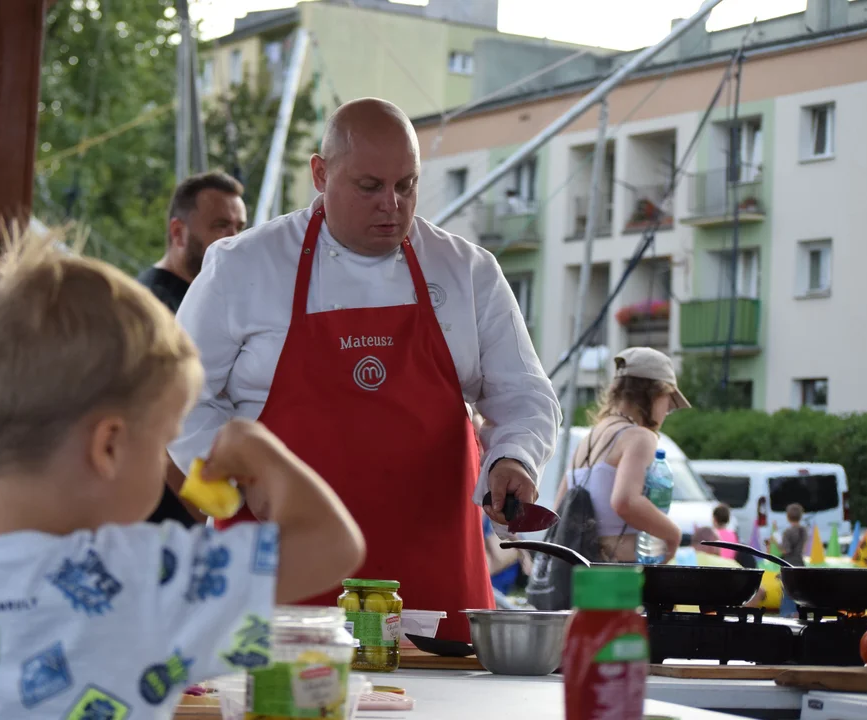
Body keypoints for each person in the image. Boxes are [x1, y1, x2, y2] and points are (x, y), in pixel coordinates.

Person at [0, 226, 364, 718]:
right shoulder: (144, 579)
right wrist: (259, 448)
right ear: (109, 445)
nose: (168, 462)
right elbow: (333, 546)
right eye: (163, 441)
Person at [168, 97, 560, 642]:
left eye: (407, 185)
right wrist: (241, 478)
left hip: (432, 567)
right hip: (281, 561)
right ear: (320, 173)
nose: (392, 205)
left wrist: (514, 458)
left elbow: (524, 394)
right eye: (370, 186)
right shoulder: (243, 265)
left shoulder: (468, 270)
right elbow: (177, 398)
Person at [552, 347, 689, 563]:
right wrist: (672, 534)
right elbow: (625, 501)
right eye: (668, 404)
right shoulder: (640, 437)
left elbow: (559, 508)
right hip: (620, 572)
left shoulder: (590, 439)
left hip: (580, 570)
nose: (666, 413)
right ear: (655, 394)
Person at [137, 171, 248, 314]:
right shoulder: (151, 307)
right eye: (220, 226)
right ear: (178, 232)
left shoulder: (207, 296)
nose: (235, 239)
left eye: (239, 228)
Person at [780, 503, 808, 567]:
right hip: (800, 563)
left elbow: (786, 551)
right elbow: (803, 549)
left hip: (789, 564)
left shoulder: (787, 532)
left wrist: (777, 543)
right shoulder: (804, 530)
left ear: (788, 516)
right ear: (801, 516)